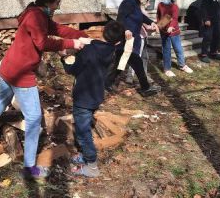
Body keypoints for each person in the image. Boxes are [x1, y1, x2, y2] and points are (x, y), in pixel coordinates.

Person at [0, 0, 87, 179]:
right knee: (34, 118)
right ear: (49, 1)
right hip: (20, 73)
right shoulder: (36, 17)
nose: (58, 7)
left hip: (9, 67)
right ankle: (29, 168)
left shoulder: (38, 14)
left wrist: (81, 36)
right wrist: (72, 44)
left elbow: (58, 29)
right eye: (57, 3)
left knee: (0, 103)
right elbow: (42, 42)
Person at [62, 21, 160, 178]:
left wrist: (64, 58)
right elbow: (103, 45)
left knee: (83, 133)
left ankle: (91, 166)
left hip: (83, 98)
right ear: (119, 41)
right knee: (85, 127)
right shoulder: (112, 52)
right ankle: (85, 156)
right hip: (96, 96)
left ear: (102, 32)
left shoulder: (88, 51)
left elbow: (71, 69)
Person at [106, 0, 159, 90]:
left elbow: (140, 16)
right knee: (136, 62)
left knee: (121, 63)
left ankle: (107, 83)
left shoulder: (135, 3)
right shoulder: (128, 2)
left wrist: (151, 22)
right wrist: (125, 29)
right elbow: (120, 17)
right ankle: (145, 87)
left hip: (132, 39)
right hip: (127, 39)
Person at [157, 0, 193, 77]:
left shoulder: (174, 6)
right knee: (166, 50)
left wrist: (171, 26)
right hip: (164, 32)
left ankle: (182, 65)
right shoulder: (160, 5)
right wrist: (158, 25)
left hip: (174, 32)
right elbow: (158, 16)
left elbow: (175, 18)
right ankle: (167, 69)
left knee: (178, 49)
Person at [125, 0, 153, 84]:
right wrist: (155, 27)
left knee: (144, 57)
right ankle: (130, 76)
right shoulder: (141, 12)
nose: (149, 4)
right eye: (148, 2)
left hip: (143, 37)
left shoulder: (139, 11)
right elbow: (146, 26)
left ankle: (143, 74)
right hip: (139, 37)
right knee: (136, 57)